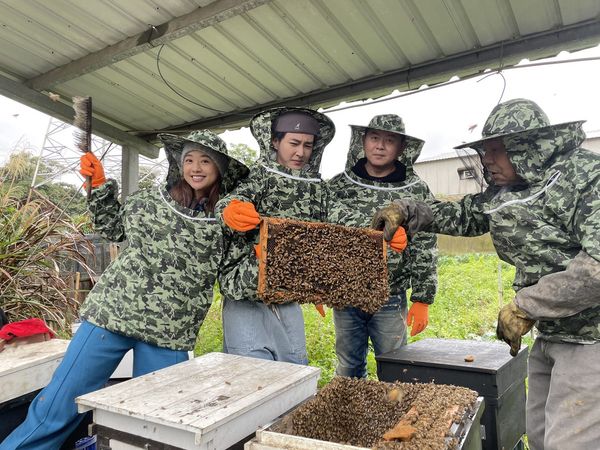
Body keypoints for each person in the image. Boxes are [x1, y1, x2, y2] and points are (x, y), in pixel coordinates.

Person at [372, 98, 600, 450]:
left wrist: (526, 306)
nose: (486, 160)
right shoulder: (507, 190)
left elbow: (597, 266)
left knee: (570, 443)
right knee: (538, 435)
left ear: (526, 149)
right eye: (484, 151)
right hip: (552, 333)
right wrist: (405, 209)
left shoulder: (587, 177)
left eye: (496, 150)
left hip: (592, 338)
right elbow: (465, 215)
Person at [0, 130, 249, 450]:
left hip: (169, 330)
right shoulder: (150, 202)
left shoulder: (230, 218)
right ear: (179, 163)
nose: (196, 167)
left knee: (158, 423)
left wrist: (252, 236)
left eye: (205, 160)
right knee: (59, 405)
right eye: (189, 159)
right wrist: (99, 187)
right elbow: (113, 227)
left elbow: (236, 272)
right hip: (113, 314)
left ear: (220, 168)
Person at [215, 107, 335, 364]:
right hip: (246, 295)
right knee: (249, 375)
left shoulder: (318, 189)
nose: (300, 152)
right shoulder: (258, 177)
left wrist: (381, 229)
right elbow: (235, 197)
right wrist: (230, 209)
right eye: (293, 143)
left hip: (287, 296)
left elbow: (340, 218)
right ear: (274, 141)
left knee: (293, 370)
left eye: (307, 145)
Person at [327, 114, 437, 378]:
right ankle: (350, 417)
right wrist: (318, 286)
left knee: (396, 368)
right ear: (362, 142)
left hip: (390, 294)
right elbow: (325, 232)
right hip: (346, 293)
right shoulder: (340, 185)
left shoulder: (416, 189)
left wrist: (423, 298)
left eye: (389, 141)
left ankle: (394, 418)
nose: (380, 146)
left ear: (401, 148)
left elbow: (425, 243)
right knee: (348, 367)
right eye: (374, 138)